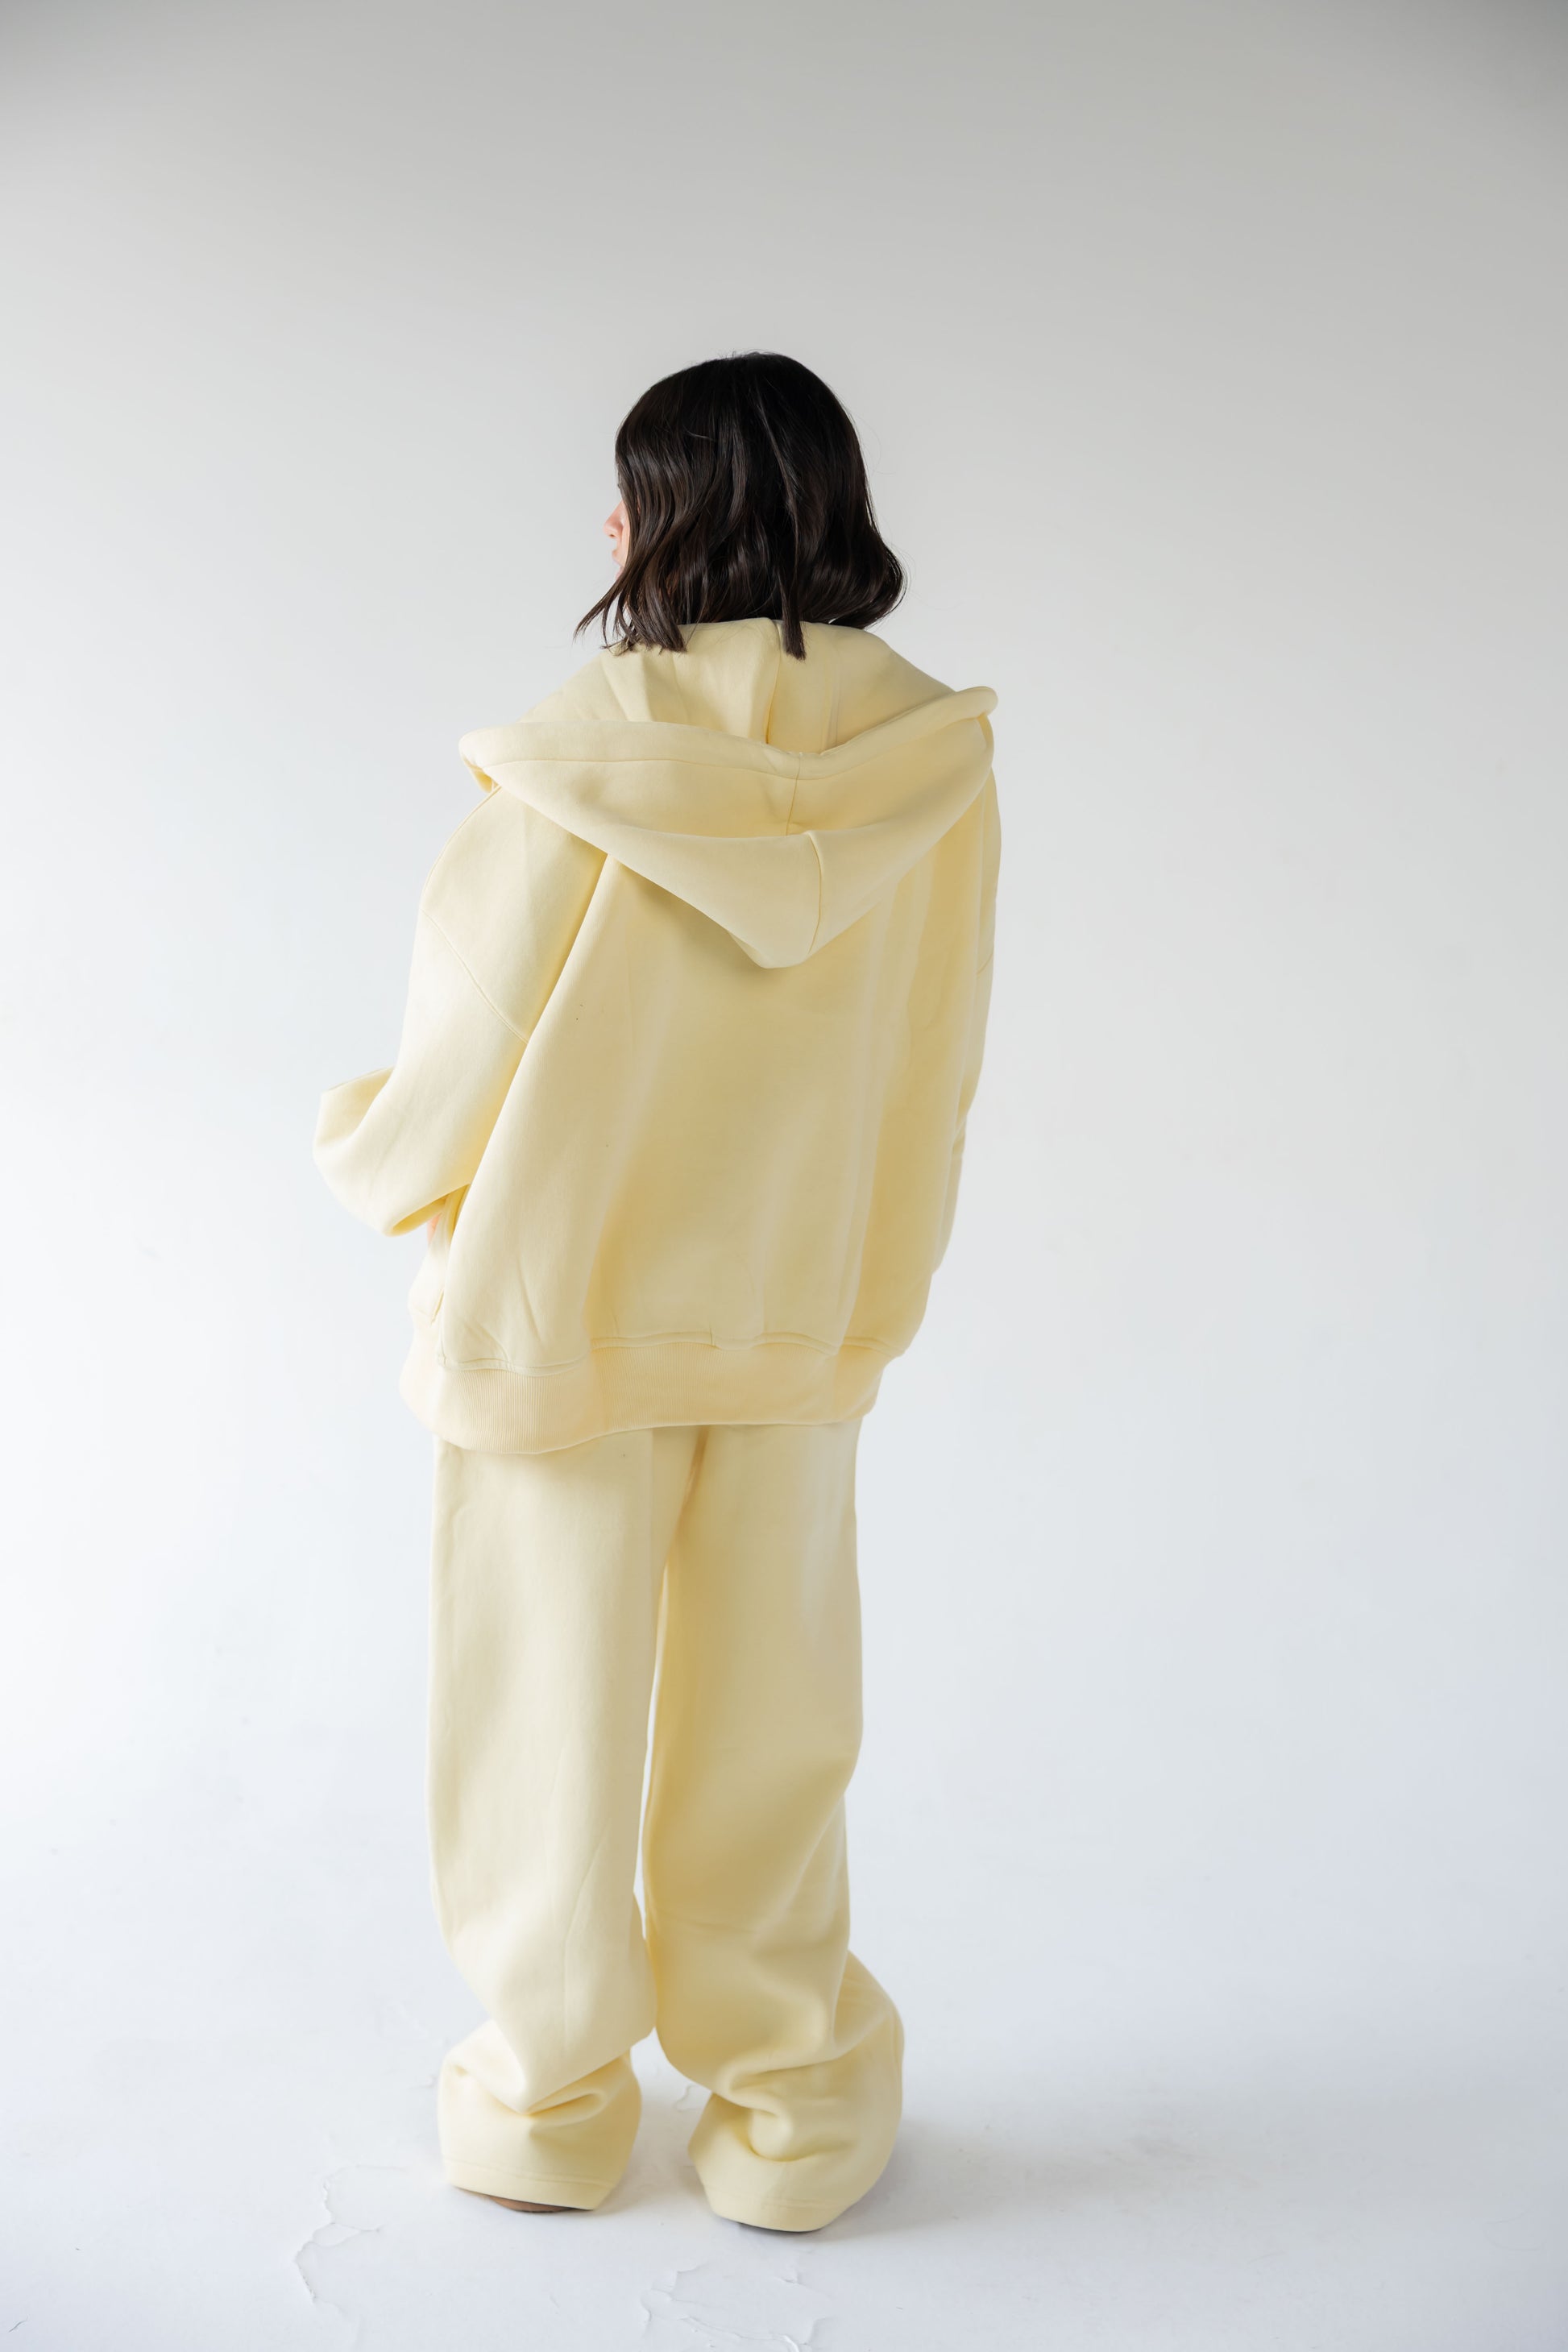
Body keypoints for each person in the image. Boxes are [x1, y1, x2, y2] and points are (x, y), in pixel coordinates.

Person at [314, 352, 999, 2232]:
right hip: (798, 1301)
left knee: (542, 1710)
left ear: (664, 519)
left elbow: (467, 1046)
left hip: (557, 1298)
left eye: (626, 492)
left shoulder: (580, 755)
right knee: (773, 1722)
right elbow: (936, 1052)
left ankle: (544, 2104)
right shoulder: (934, 763)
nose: (605, 524)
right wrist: (875, 1288)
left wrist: (365, 1152)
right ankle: (794, 2111)